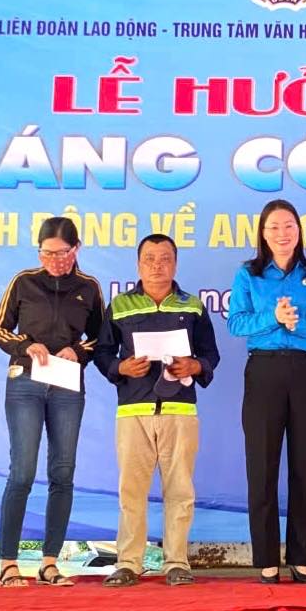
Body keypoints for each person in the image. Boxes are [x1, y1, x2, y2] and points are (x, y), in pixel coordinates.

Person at [227, 199, 306, 584]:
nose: (282, 233)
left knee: (304, 464)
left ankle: (301, 556)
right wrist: (273, 318)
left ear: (299, 230)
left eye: (289, 226)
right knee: (261, 466)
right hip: (263, 371)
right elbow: (236, 324)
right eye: (274, 227)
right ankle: (266, 558)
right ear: (263, 232)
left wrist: (298, 324)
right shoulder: (249, 274)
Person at [94, 233, 220, 587]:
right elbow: (103, 352)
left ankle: (176, 562)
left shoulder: (192, 306)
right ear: (138, 264)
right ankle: (129, 562)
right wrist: (120, 368)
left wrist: (194, 366)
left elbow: (211, 354)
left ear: (175, 263)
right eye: (149, 258)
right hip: (133, 410)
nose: (157, 265)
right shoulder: (120, 305)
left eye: (165, 258)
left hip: (180, 410)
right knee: (131, 490)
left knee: (180, 488)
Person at [0, 217, 104, 587]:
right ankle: (8, 562)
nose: (54, 260)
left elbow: (102, 338)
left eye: (62, 253)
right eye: (46, 253)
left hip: (67, 384)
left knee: (63, 472)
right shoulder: (23, 281)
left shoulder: (89, 287)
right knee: (22, 471)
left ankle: (50, 562)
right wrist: (25, 345)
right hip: (26, 380)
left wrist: (79, 349)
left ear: (77, 250)